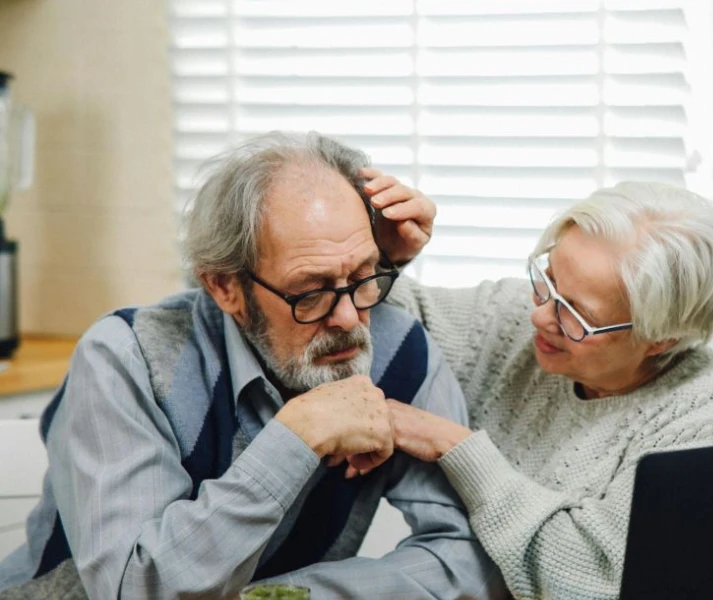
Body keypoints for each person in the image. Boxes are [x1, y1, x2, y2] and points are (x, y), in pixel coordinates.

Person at [0, 132, 506, 599]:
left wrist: (289, 597)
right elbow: (135, 586)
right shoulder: (124, 359)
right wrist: (298, 437)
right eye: (311, 291)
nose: (351, 317)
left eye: (364, 274)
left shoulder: (398, 348)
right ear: (225, 287)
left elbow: (470, 556)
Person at [372, 181, 713, 600]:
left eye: (577, 313)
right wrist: (384, 257)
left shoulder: (709, 417)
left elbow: (594, 582)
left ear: (661, 338)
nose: (540, 315)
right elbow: (387, 323)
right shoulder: (514, 316)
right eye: (548, 278)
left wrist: (455, 446)